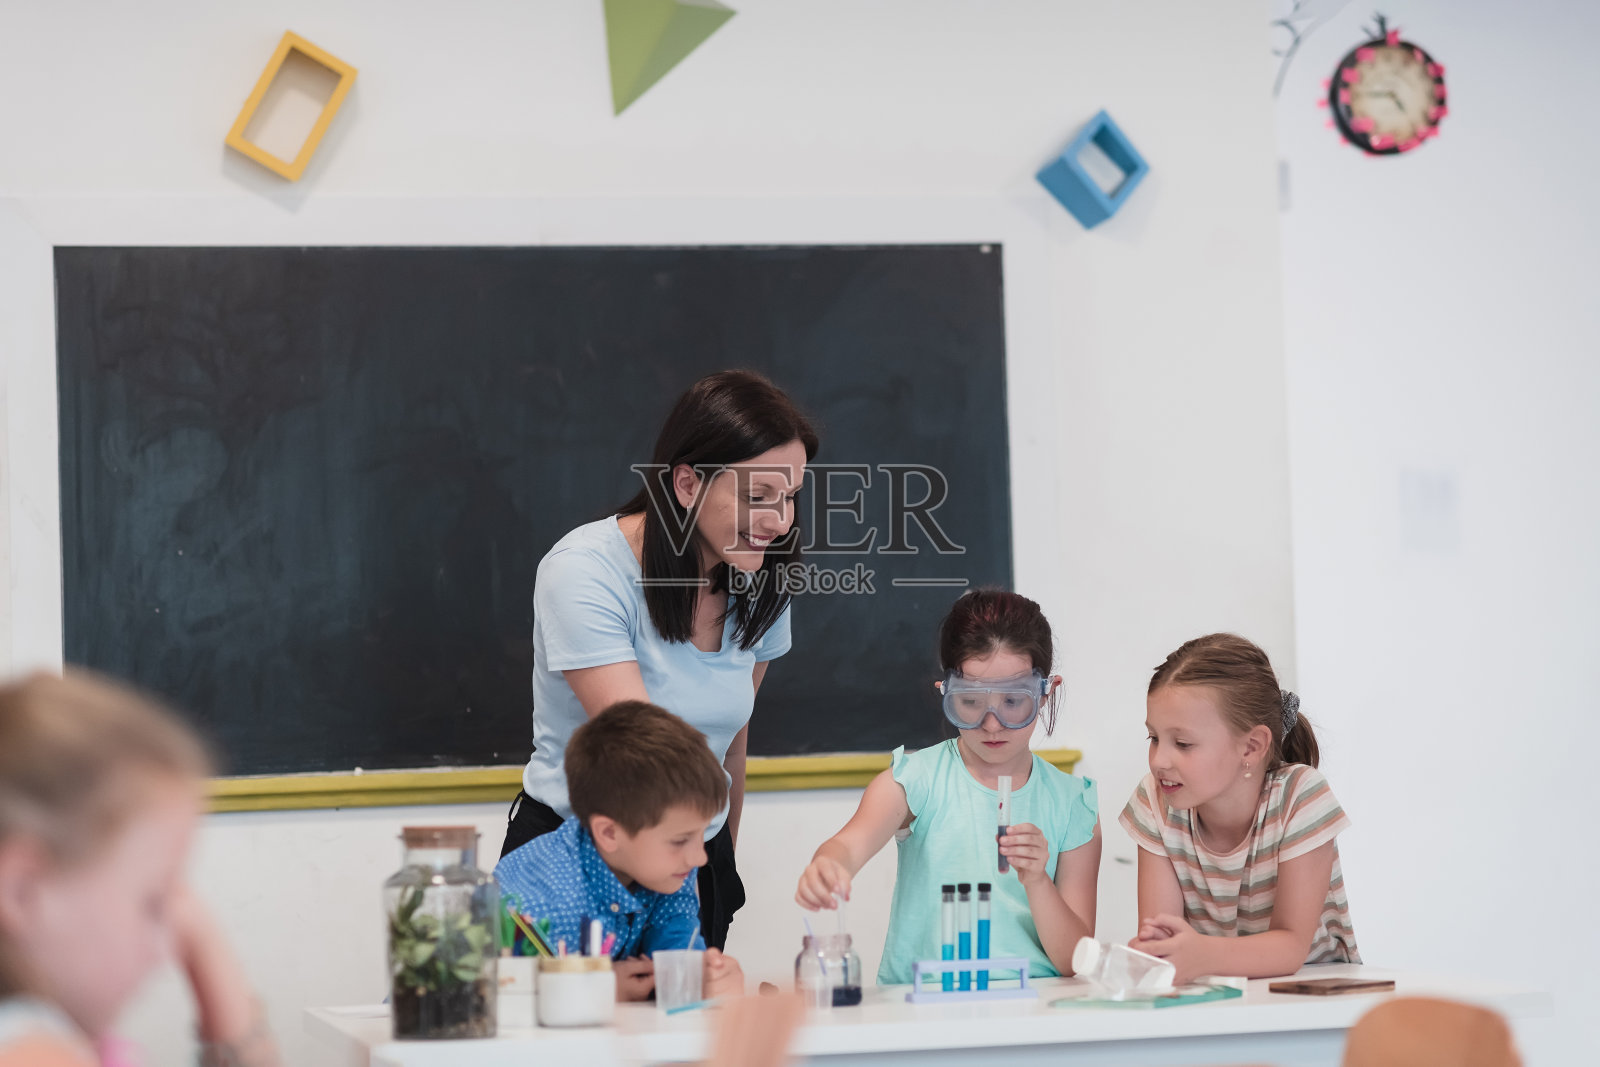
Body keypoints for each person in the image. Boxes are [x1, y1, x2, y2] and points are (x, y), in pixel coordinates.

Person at [505, 369, 818, 952]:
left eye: (790, 496)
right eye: (757, 496)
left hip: (687, 855)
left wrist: (713, 862)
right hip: (581, 861)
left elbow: (732, 743)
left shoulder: (762, 578)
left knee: (690, 1034)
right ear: (685, 484)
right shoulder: (584, 571)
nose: (780, 523)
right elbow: (643, 761)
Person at [795, 590, 1101, 982]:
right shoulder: (915, 780)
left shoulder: (1073, 805)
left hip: (1032, 1012)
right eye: (970, 702)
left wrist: (1038, 881)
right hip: (924, 1010)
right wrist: (828, 865)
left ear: (1045, 692)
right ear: (946, 691)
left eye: (1013, 701)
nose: (992, 723)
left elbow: (1074, 962)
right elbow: (848, 845)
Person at [0, 671, 280, 1067]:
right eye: (151, 903)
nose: (163, 950)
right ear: (22, 890)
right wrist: (206, 949)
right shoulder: (35, 1055)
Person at [1122, 633, 1359, 984]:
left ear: (1251, 746)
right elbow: (1164, 939)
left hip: (1312, 992)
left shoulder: (1301, 796)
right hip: (1216, 992)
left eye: (1183, 743)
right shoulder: (1154, 799)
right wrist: (1156, 952)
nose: (1159, 760)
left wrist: (1199, 955)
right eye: (1154, 738)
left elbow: (1291, 947)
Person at [495, 701, 745, 1002]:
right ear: (610, 833)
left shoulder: (666, 870)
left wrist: (703, 978)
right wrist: (600, 990)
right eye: (680, 840)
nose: (699, 858)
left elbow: (676, 941)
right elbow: (507, 1001)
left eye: (700, 835)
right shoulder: (545, 903)